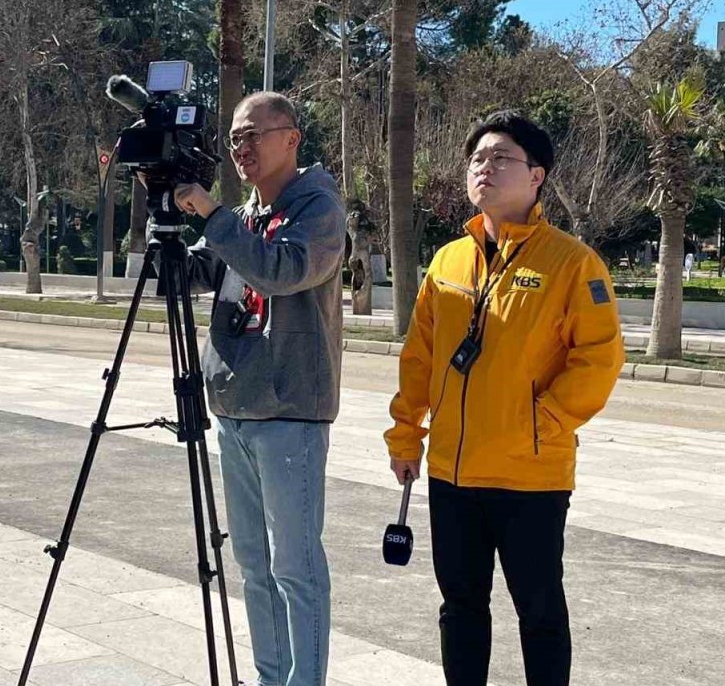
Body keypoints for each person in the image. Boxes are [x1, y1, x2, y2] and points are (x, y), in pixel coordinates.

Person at [384, 110, 625, 686]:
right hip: (451, 473)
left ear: (537, 175)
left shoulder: (572, 263)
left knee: (539, 612)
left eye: (500, 158)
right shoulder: (447, 261)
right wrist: (405, 433)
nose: (484, 168)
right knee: (460, 608)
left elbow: (598, 359)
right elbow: (420, 356)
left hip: (530, 475)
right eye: (477, 159)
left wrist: (542, 422)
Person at [172, 91, 346, 686]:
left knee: (295, 566)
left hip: (290, 412)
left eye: (253, 135)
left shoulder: (319, 210)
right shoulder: (243, 216)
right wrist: (169, 232)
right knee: (252, 564)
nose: (241, 148)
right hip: (234, 409)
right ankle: (271, 677)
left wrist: (214, 217)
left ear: (291, 138)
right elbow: (200, 271)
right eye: (234, 139)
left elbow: (279, 271)